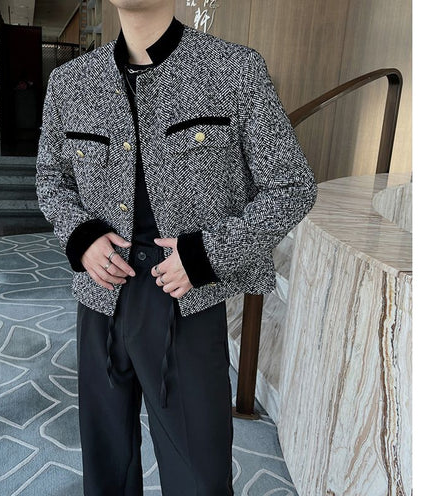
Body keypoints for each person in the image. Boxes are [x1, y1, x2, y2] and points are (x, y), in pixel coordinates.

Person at [35, 1, 318, 494]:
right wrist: (81, 238)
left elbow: (292, 186)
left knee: (199, 477)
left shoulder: (233, 70)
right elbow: (50, 180)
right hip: (100, 301)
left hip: (186, 303)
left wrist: (209, 254)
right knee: (105, 469)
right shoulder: (70, 83)